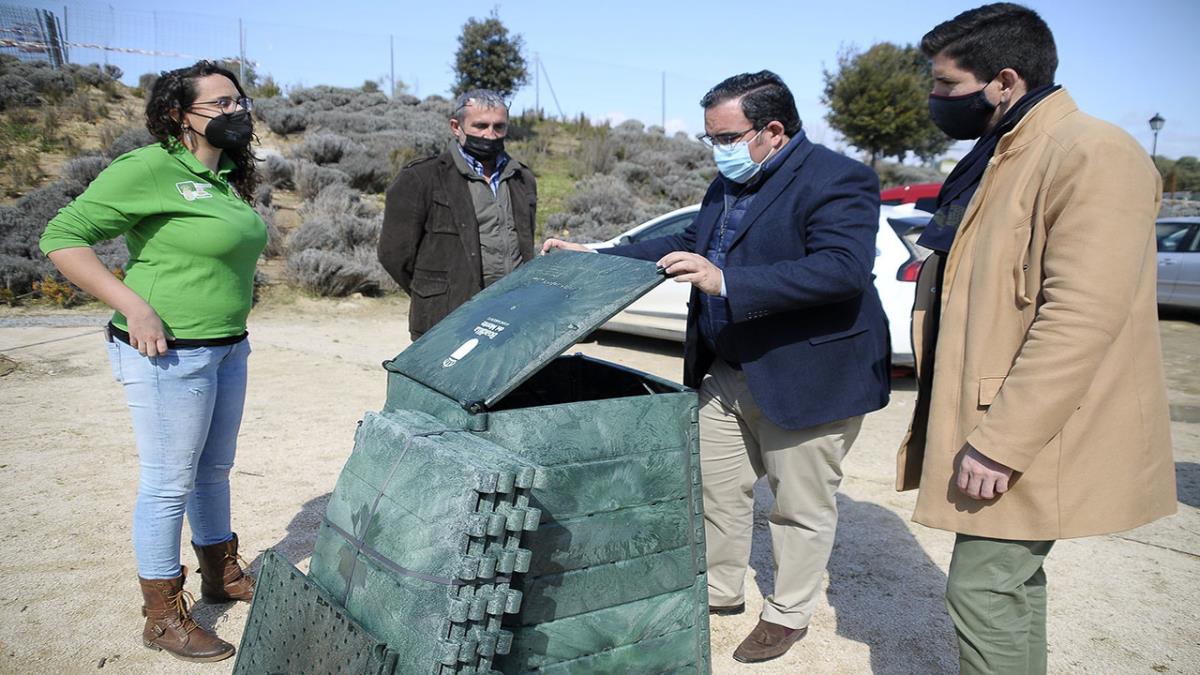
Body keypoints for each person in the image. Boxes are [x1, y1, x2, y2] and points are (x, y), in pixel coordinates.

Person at [543, 71, 890, 663]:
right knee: (713, 489)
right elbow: (685, 239)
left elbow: (841, 269)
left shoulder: (839, 178)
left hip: (806, 373)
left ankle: (787, 614)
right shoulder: (730, 182)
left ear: (772, 130)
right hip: (726, 370)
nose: (717, 150)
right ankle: (718, 589)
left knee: (799, 506)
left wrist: (726, 281)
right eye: (711, 139)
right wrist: (599, 254)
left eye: (726, 137)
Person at [896, 4, 1176, 673]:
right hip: (1005, 416)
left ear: (1005, 81)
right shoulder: (1006, 153)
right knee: (1010, 586)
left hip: (1035, 427)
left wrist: (1001, 441)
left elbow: (1079, 318)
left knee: (982, 590)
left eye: (947, 84)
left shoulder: (1092, 153)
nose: (936, 98)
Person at [40, 60, 264, 664]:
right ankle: (162, 617)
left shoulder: (223, 176)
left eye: (239, 102)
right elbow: (61, 237)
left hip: (226, 347)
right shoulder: (150, 167)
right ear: (177, 114)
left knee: (214, 469)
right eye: (219, 104)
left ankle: (220, 573)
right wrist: (133, 306)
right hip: (167, 354)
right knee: (169, 482)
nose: (235, 112)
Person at [378, 89, 538, 341]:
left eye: (499, 127)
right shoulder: (421, 178)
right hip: (445, 322)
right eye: (480, 126)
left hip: (510, 317)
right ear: (456, 126)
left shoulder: (522, 178)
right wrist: (435, 294)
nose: (490, 135)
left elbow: (524, 244)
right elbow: (394, 255)